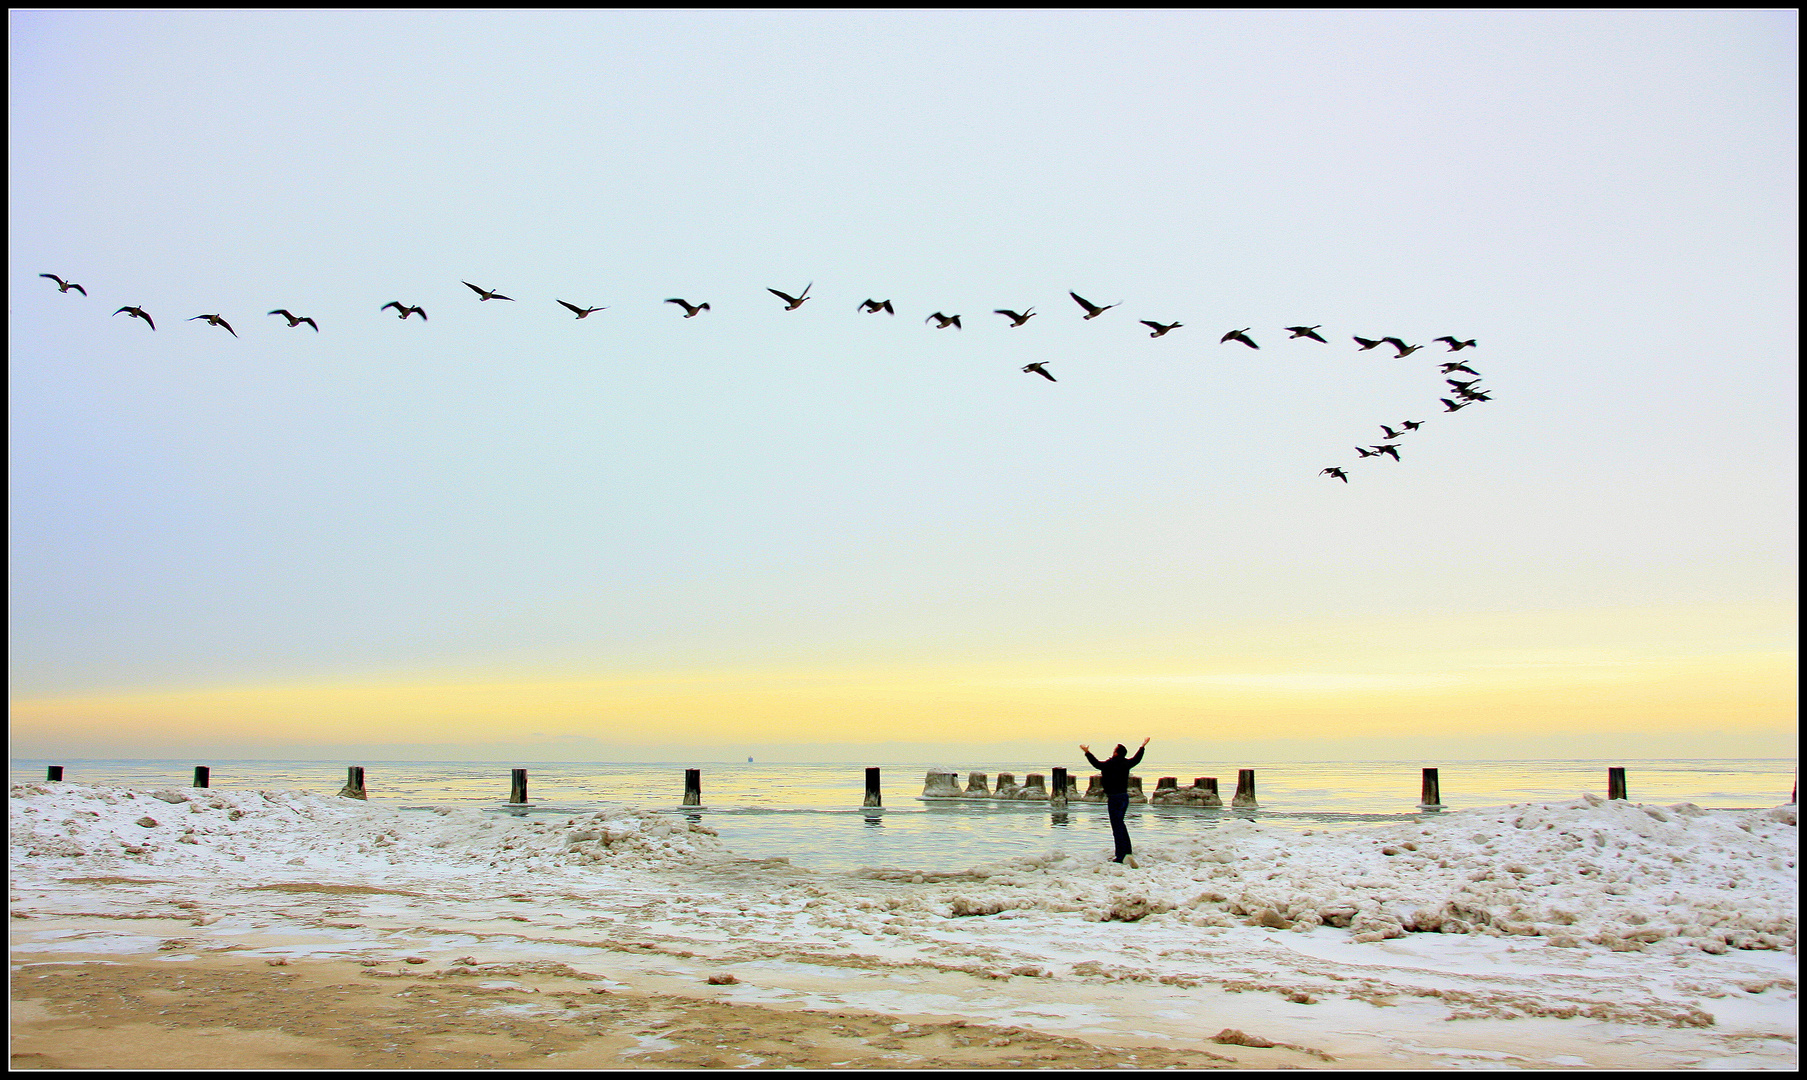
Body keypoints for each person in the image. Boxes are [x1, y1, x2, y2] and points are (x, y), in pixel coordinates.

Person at [1081, 737, 1149, 864]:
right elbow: (1137, 759)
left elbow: (1097, 764)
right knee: (1121, 824)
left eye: (1114, 750)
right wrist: (1142, 746)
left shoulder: (1110, 764)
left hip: (1114, 798)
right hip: (1124, 797)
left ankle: (1121, 855)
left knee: (1117, 827)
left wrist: (1087, 752)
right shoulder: (1125, 763)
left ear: (1116, 752)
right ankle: (1127, 851)